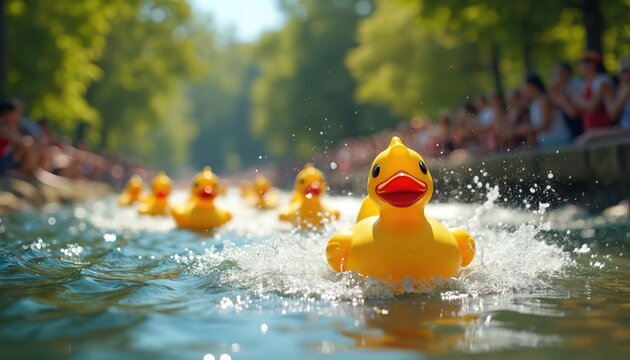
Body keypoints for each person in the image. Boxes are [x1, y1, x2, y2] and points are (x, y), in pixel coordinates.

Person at [522, 74, 572, 148]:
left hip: (558, 141)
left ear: (534, 87)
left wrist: (526, 129)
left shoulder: (544, 100)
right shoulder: (534, 102)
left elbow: (546, 126)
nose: (523, 89)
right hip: (547, 142)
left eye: (525, 86)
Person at [572, 51, 615, 130]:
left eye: (582, 63)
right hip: (589, 128)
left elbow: (592, 107)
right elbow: (577, 110)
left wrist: (576, 99)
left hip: (603, 128)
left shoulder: (602, 81)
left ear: (592, 65)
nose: (580, 66)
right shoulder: (584, 83)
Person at [549, 62, 583, 138]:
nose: (556, 76)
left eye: (559, 72)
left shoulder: (577, 85)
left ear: (567, 72)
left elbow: (573, 113)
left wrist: (560, 97)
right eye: (554, 73)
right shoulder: (560, 87)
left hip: (581, 127)